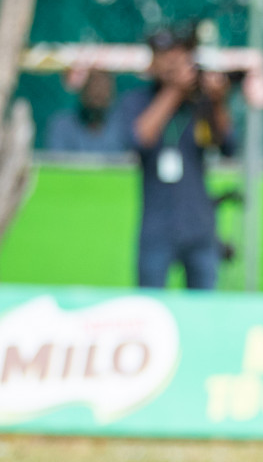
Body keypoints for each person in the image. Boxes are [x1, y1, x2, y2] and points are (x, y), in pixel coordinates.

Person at [115, 24, 235, 290]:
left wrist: (217, 101)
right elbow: (139, 139)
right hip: (157, 227)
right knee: (149, 306)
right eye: (163, 56)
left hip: (199, 227)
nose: (170, 63)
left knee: (203, 310)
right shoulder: (137, 100)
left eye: (177, 55)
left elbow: (227, 145)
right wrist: (174, 90)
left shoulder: (201, 103)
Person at [45, 68, 125, 153]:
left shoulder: (123, 127)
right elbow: (57, 162)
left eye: (103, 85)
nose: (98, 91)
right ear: (82, 90)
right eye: (93, 83)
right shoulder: (61, 125)